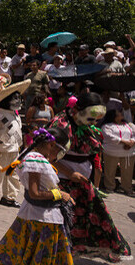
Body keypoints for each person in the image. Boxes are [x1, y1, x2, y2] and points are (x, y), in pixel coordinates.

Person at [49, 92, 132, 261]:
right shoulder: (62, 124)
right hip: (61, 183)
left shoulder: (88, 127)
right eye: (91, 119)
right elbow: (49, 156)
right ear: (78, 110)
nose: (94, 124)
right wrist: (70, 173)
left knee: (95, 218)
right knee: (61, 222)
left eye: (96, 120)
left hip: (83, 184)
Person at [0, 128, 74, 265]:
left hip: (33, 215)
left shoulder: (31, 155)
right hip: (43, 219)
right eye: (59, 151)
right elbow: (35, 193)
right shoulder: (36, 160)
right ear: (51, 145)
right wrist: (59, 194)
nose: (58, 156)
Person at [0, 80, 31, 207]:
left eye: (19, 98)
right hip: (1, 150)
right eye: (15, 98)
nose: (19, 101)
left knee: (13, 175)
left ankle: (9, 197)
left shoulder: (15, 115)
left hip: (14, 150)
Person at [101, 110, 135, 196]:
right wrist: (124, 142)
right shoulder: (107, 126)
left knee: (128, 171)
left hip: (128, 152)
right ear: (114, 116)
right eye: (119, 114)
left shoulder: (129, 125)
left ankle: (127, 188)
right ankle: (110, 187)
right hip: (111, 152)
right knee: (110, 171)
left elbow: (134, 134)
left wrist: (132, 142)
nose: (121, 115)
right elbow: (109, 136)